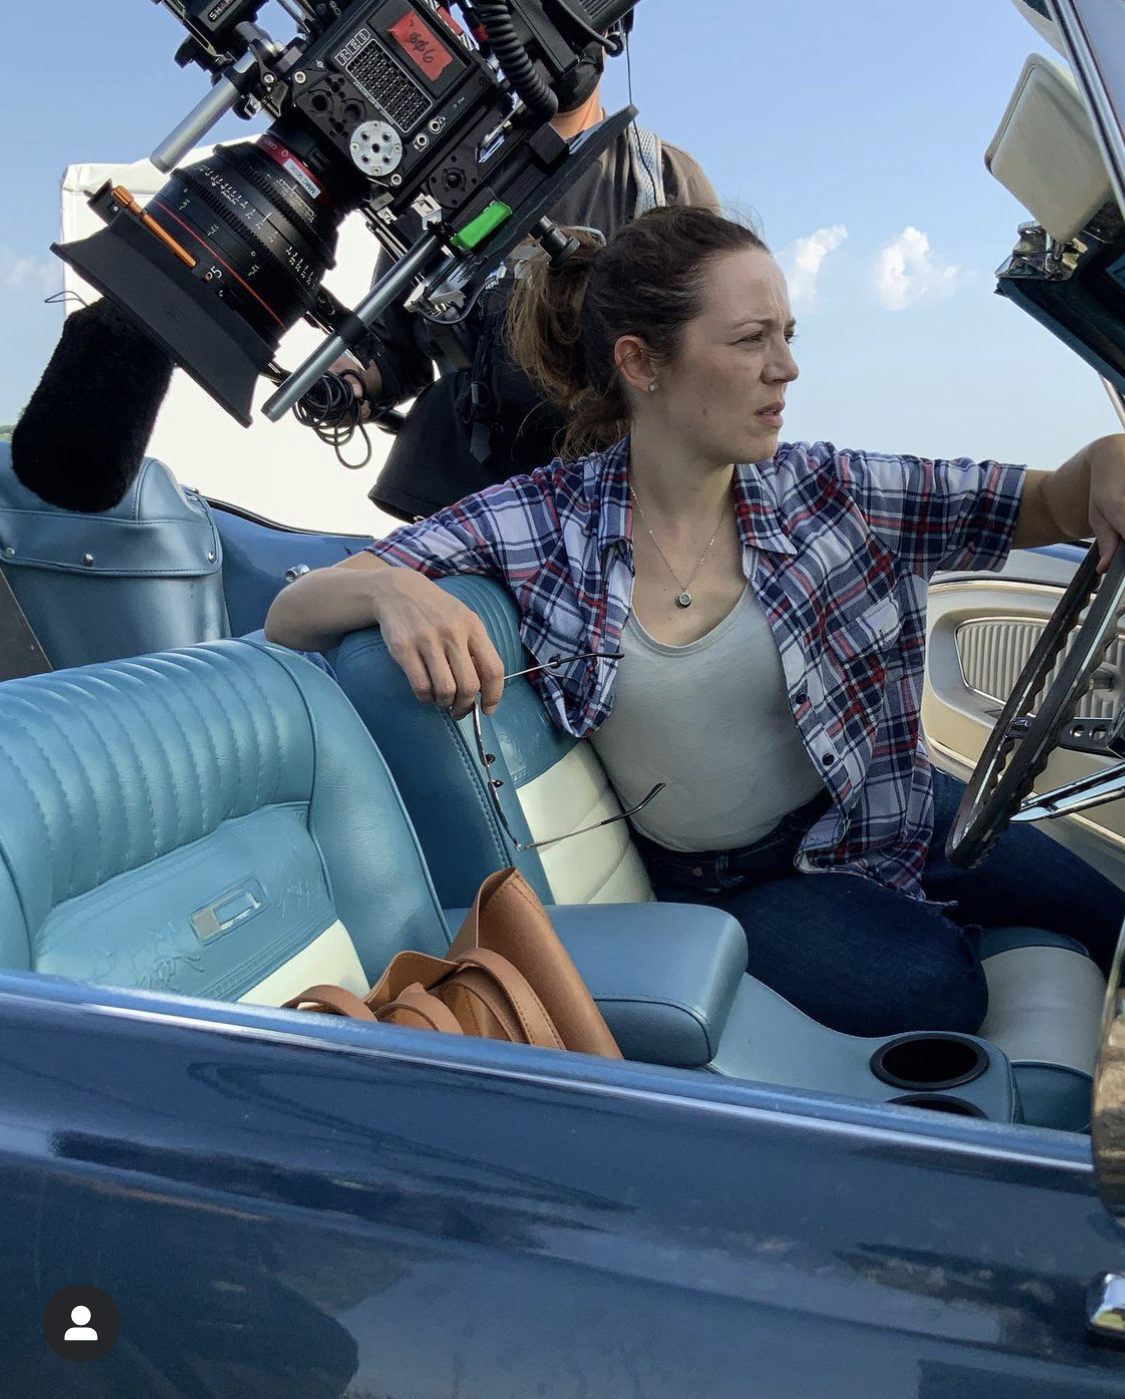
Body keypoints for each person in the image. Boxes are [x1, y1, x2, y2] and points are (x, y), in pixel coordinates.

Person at [267, 204, 1125, 1038]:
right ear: (641, 362)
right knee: (932, 990)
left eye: (788, 335)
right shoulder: (545, 519)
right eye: (751, 339)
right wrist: (392, 589)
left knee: (1107, 909)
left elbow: (1053, 499)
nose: (785, 367)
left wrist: (1109, 459)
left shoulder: (831, 489)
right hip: (736, 881)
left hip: (881, 809)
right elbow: (291, 609)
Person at [337, 19, 718, 521]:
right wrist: (351, 383)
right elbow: (394, 352)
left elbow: (719, 343)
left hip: (617, 506)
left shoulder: (663, 179)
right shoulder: (439, 178)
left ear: (612, 28)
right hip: (459, 507)